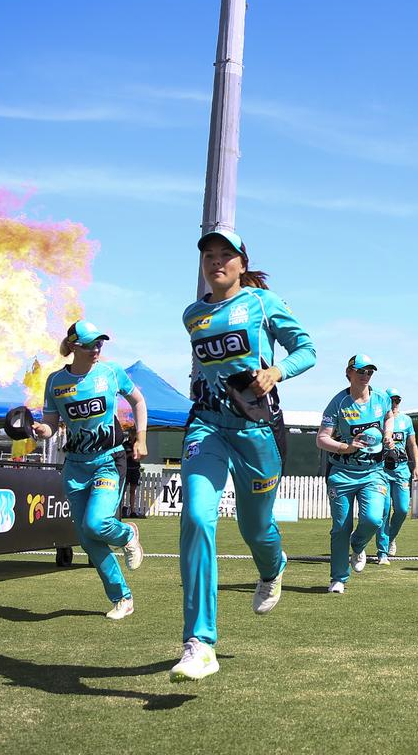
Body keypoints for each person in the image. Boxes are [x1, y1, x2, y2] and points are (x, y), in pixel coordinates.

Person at [171, 230, 315, 682]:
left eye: (224, 256)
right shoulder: (192, 315)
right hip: (207, 426)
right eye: (208, 256)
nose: (216, 262)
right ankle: (200, 643)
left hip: (257, 432)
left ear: (240, 261)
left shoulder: (261, 303)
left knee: (256, 528)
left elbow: (307, 350)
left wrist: (276, 371)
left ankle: (273, 568)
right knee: (196, 516)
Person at [33, 321, 148, 621]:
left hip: (110, 460)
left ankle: (127, 533)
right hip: (75, 467)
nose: (96, 348)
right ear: (73, 347)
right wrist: (39, 429)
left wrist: (142, 438)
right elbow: (50, 426)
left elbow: (138, 400)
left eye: (100, 343)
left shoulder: (111, 373)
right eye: (90, 344)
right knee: (87, 538)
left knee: (96, 524)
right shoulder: (55, 381)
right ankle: (123, 598)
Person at [317, 355, 393, 589]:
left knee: (373, 518)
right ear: (348, 372)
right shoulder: (338, 403)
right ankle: (338, 578)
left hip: (373, 472)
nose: (365, 375)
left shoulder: (382, 399)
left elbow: (389, 416)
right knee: (341, 527)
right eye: (360, 371)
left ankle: (358, 545)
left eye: (370, 371)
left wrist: (388, 434)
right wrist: (345, 447)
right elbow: (322, 439)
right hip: (342, 473)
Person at [374, 387, 418, 563]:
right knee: (384, 510)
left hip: (401, 469)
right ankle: (382, 552)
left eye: (397, 400)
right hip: (382, 470)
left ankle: (390, 537)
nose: (394, 403)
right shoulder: (379, 418)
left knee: (401, 509)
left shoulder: (406, 420)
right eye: (391, 400)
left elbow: (413, 445)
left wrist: (416, 466)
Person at [121, 425, 143, 518]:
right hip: (126, 469)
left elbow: (139, 457)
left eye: (134, 433)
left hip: (135, 469)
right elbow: (122, 457)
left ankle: (132, 511)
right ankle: (120, 509)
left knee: (133, 491)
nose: (133, 435)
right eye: (132, 433)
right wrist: (129, 454)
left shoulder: (138, 444)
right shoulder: (125, 445)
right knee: (123, 490)